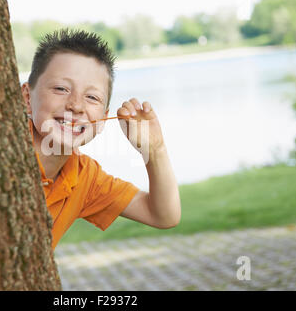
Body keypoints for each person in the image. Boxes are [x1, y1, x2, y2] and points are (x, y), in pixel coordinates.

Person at [21, 28, 181, 250]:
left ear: (104, 119)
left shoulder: (85, 177)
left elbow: (164, 215)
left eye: (92, 97)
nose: (76, 105)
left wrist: (155, 150)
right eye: (61, 88)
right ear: (27, 98)